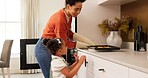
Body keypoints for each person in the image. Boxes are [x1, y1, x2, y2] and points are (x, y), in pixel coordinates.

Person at [35, 0, 96, 78]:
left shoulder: (68, 16)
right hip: (44, 48)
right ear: (68, 6)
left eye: (80, 9)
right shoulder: (60, 19)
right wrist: (87, 46)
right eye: (76, 9)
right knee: (50, 76)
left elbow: (69, 33)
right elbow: (64, 42)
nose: (78, 12)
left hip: (54, 45)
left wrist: (89, 42)